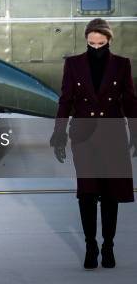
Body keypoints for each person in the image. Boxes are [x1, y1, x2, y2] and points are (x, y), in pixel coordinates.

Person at [50, 18, 137, 270]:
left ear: (109, 40)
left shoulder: (121, 65)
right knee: (87, 193)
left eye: (101, 43)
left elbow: (130, 101)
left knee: (110, 195)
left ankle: (108, 247)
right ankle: (90, 246)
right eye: (91, 43)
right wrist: (59, 133)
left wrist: (135, 132)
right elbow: (65, 100)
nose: (96, 48)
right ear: (86, 40)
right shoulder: (74, 64)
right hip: (83, 136)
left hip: (112, 136)